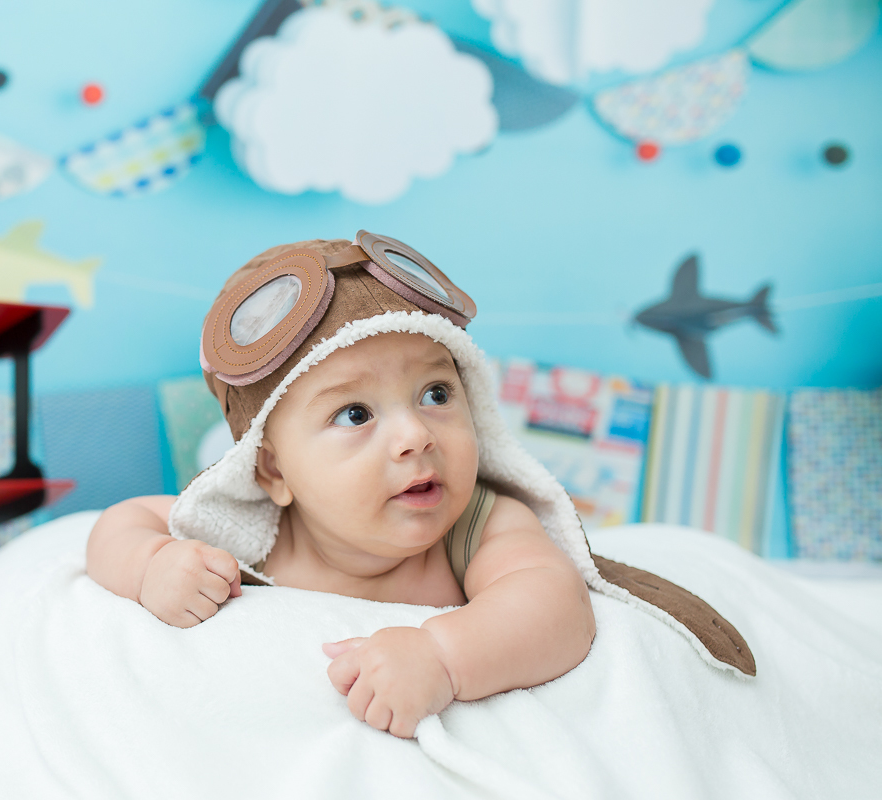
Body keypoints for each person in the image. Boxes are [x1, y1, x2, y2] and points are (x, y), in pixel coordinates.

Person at [87, 232, 755, 739]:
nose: (415, 436)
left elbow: (553, 607)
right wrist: (152, 563)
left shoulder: (480, 525)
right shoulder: (250, 531)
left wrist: (442, 654)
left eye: (436, 392)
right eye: (355, 414)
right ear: (271, 471)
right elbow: (122, 523)